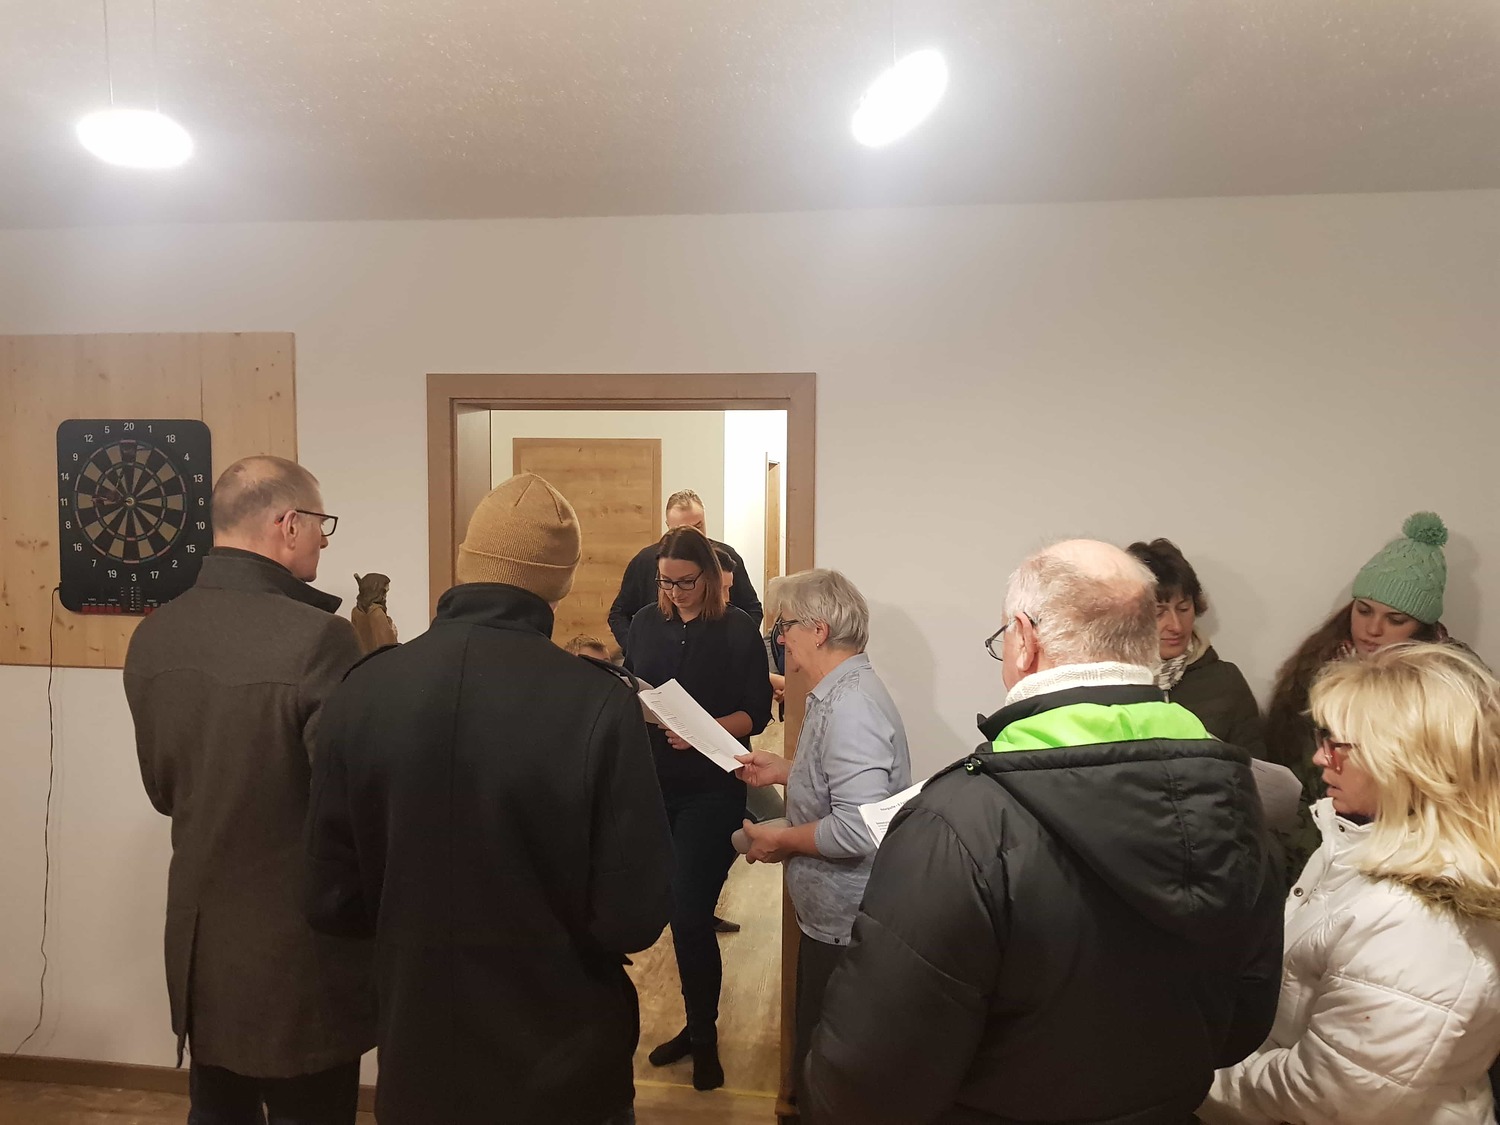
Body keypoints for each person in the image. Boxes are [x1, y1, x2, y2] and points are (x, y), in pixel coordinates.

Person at [804, 540, 1283, 1125]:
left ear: (1024, 640)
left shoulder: (957, 824)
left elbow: (867, 1083)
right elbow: (1243, 1023)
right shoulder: (1237, 798)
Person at [305, 473, 673, 1125]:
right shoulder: (596, 702)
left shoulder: (364, 689)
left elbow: (331, 900)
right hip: (562, 1062)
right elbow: (633, 916)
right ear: (561, 581)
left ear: (466, 561)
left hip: (418, 1054)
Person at [123, 456, 372, 1125]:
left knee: (217, 1110)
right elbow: (347, 808)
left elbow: (163, 790)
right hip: (298, 955)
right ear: (287, 524)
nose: (323, 540)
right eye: (320, 524)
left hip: (202, 948)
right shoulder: (321, 637)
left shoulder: (155, 633)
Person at [1202, 643, 1500, 1124]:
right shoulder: (1363, 841)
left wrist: (1198, 1082)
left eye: (1338, 746)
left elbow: (1328, 1095)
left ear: (1406, 763)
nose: (1320, 758)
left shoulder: (1415, 925)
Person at [733, 568, 911, 1111]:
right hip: (830, 918)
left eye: (784, 626)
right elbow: (846, 791)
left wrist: (782, 841)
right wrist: (787, 770)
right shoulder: (837, 692)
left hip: (845, 924)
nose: (779, 639)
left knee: (831, 1078)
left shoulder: (851, 707)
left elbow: (857, 828)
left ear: (819, 629)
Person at [625, 526, 773, 1091]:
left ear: (709, 577)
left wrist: (702, 728)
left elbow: (755, 714)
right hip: (655, 787)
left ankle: (704, 1037)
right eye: (666, 582)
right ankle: (693, 1030)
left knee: (690, 914)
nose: (675, 592)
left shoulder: (737, 630)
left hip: (712, 789)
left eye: (685, 582)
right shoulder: (645, 623)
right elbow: (635, 690)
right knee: (673, 914)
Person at [1265, 511, 1458, 874]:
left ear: (1422, 627)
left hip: (1393, 860)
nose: (1372, 629)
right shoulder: (1315, 670)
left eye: (1395, 619)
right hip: (1308, 849)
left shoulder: (1445, 696)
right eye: (1364, 610)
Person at [1126, 538, 1265, 758]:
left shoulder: (1224, 681)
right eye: (1158, 613)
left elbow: (1258, 768)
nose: (1176, 626)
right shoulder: (1107, 683)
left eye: (1183, 608)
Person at [607, 489, 763, 654]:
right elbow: (619, 614)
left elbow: (751, 609)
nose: (676, 593)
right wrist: (636, 648)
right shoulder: (645, 561)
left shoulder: (727, 557)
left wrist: (738, 646)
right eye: (667, 581)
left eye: (698, 526)